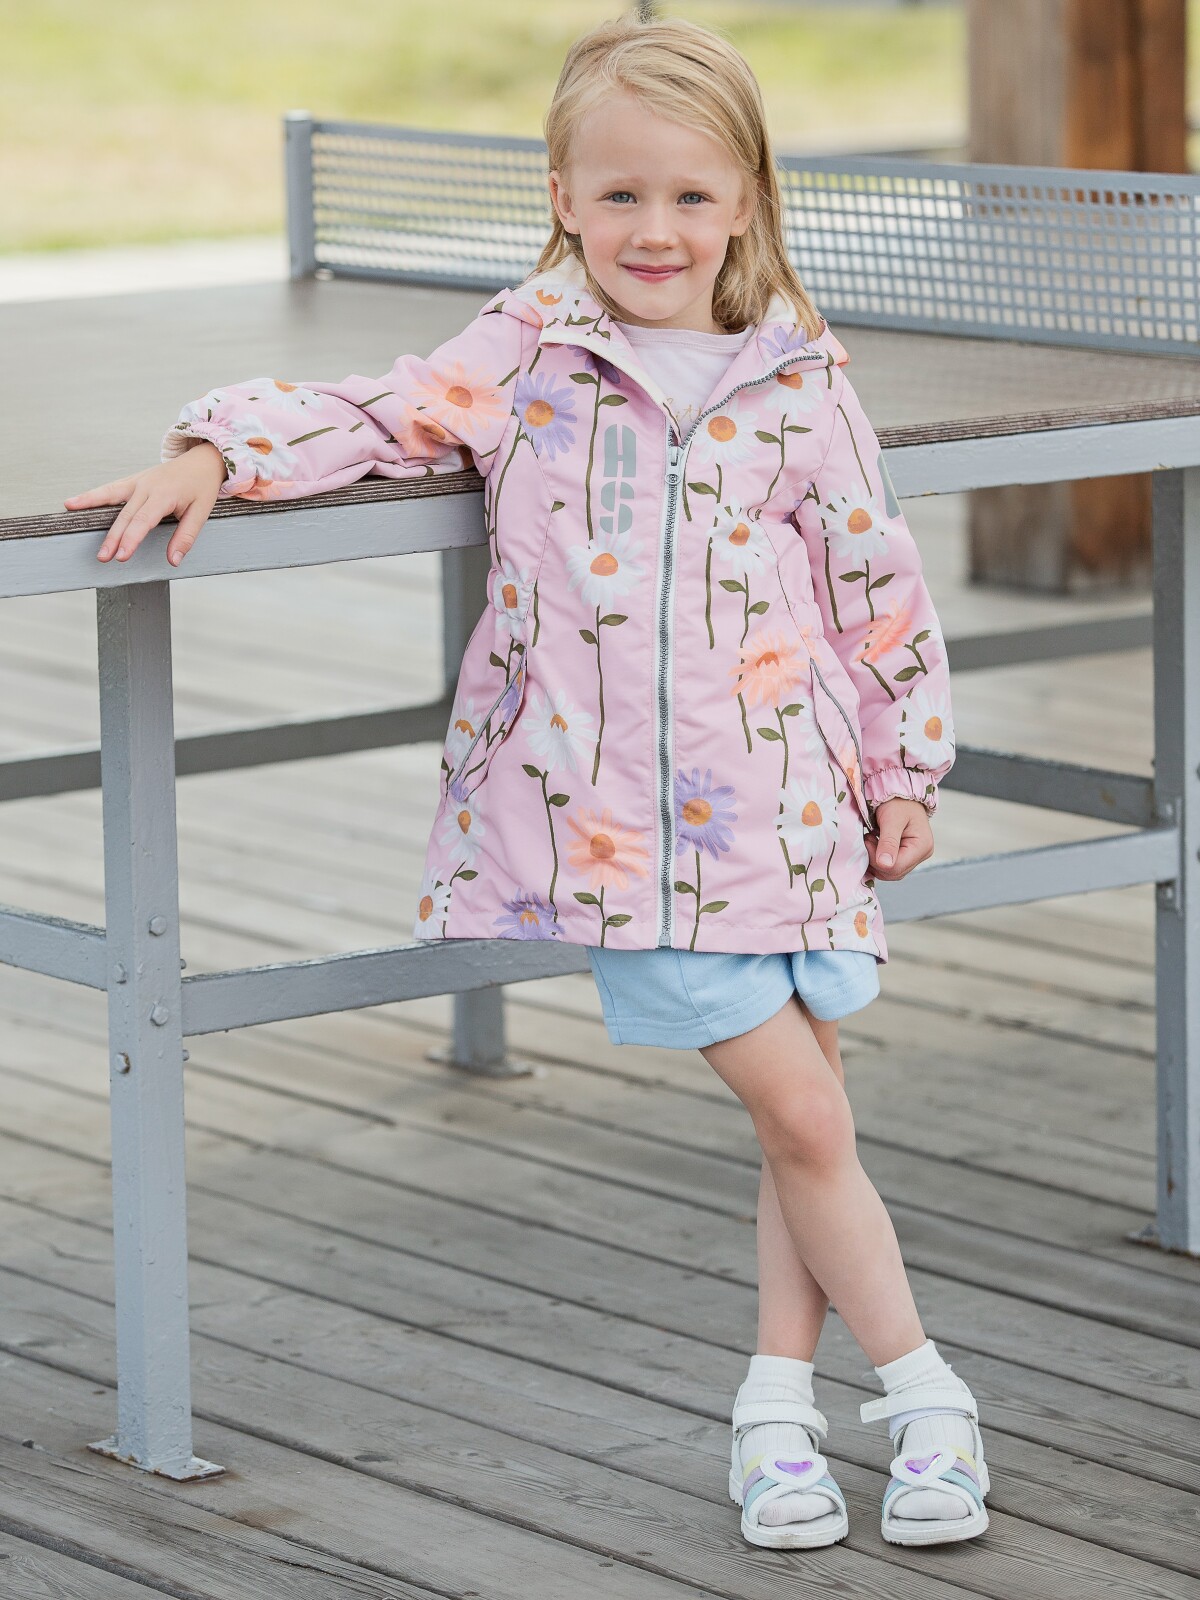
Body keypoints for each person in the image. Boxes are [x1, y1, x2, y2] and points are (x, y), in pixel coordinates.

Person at [65, 12, 987, 1555]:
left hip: (796, 812)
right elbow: (379, 412)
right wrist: (215, 449)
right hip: (630, 846)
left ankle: (776, 1419)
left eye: (690, 196)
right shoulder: (529, 353)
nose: (654, 228)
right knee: (807, 1119)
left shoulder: (801, 374)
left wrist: (904, 763)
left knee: (806, 1126)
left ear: (747, 201)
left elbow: (871, 583)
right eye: (619, 194)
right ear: (562, 196)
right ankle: (928, 1394)